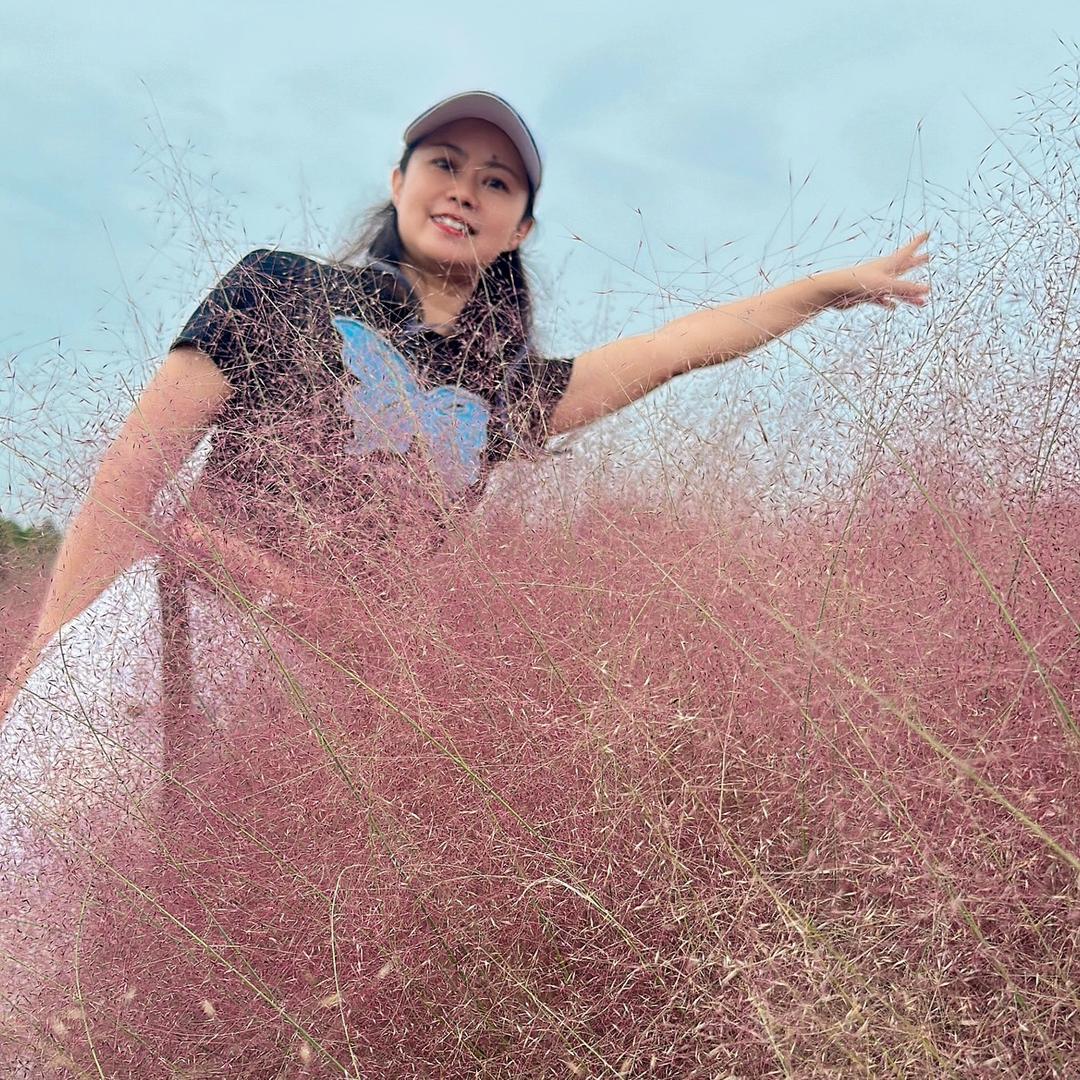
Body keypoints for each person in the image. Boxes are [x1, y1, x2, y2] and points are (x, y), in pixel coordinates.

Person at [0, 88, 929, 1064]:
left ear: (520, 227)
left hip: (312, 706)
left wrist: (821, 293)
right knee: (30, 903)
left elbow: (675, 349)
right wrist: (44, 661)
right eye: (443, 163)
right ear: (398, 180)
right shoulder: (275, 285)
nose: (463, 191)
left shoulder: (506, 390)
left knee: (174, 959)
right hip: (170, 638)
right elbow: (127, 481)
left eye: (496, 181)